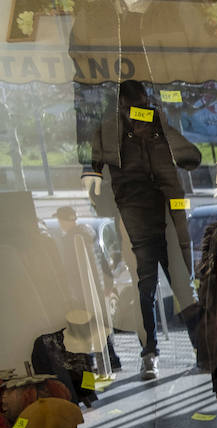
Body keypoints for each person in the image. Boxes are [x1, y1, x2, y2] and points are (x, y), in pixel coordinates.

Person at [84, 80, 202, 380]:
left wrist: (159, 131)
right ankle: (151, 354)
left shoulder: (156, 123)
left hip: (166, 217)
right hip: (135, 221)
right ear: (123, 106)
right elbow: (93, 173)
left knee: (180, 287)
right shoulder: (109, 132)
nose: (141, 111)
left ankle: (201, 350)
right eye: (136, 106)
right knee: (145, 291)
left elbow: (189, 155)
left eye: (144, 105)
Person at [53, 206, 120, 372]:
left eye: (60, 220)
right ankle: (112, 360)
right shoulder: (89, 233)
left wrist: (71, 293)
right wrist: (108, 284)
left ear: (63, 220)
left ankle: (93, 367)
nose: (60, 224)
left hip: (83, 291)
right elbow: (103, 260)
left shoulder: (71, 239)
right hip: (98, 288)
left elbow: (71, 270)